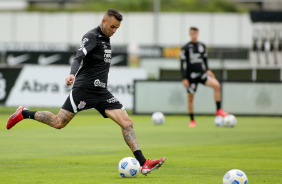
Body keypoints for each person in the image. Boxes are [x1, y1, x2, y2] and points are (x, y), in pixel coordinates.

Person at [7, 9, 165, 175]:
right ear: (103, 20)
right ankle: (24, 113)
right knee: (58, 122)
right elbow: (78, 57)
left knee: (127, 123)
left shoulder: (106, 38)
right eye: (112, 26)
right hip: (84, 89)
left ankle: (144, 163)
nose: (114, 31)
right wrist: (72, 74)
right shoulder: (91, 36)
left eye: (117, 28)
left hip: (101, 93)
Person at [180, 27, 228, 128]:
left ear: (198, 34)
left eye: (196, 33)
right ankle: (192, 120)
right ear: (190, 34)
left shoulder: (201, 46)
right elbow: (182, 64)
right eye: (192, 33)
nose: (194, 35)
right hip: (191, 76)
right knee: (190, 98)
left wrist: (208, 70)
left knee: (217, 85)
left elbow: (205, 59)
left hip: (201, 74)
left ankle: (218, 110)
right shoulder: (185, 48)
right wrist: (184, 78)